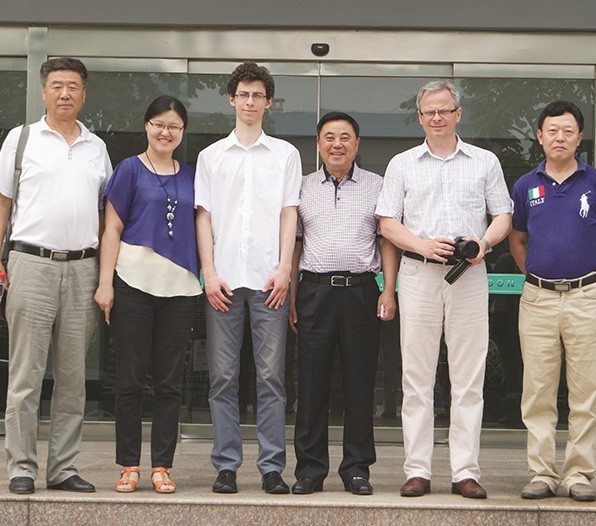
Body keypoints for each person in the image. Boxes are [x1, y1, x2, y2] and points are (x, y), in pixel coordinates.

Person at [376, 80, 513, 499]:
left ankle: (465, 471)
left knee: (468, 377)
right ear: (419, 117)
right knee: (416, 377)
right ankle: (417, 470)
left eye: (444, 110)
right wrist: (421, 245)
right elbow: (387, 222)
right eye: (429, 111)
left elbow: (503, 215)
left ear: (458, 114)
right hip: (418, 274)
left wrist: (483, 244)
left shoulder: (485, 161)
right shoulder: (402, 164)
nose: (437, 117)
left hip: (469, 275)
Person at [0, 57, 112, 495]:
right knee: (26, 375)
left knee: (73, 378)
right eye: (57, 85)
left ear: (84, 94)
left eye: (73, 86)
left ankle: (62, 468)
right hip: (31, 264)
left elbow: (106, 215)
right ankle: (21, 467)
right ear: (43, 92)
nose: (64, 93)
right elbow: (0, 203)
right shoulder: (21, 140)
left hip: (83, 268)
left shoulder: (96, 147)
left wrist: (105, 274)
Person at [195, 61, 302, 495]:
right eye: (244, 94)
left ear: (268, 102)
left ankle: (272, 467)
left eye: (258, 95)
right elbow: (204, 217)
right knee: (222, 377)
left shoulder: (285, 154)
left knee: (271, 378)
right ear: (232, 99)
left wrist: (284, 268)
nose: (251, 102)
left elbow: (289, 213)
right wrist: (208, 272)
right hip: (222, 280)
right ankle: (226, 466)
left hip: (268, 281)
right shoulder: (211, 156)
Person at [509, 100, 596, 502]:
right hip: (538, 298)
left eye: (568, 131)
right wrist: (534, 274)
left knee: (585, 391)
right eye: (552, 131)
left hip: (587, 297)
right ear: (540, 136)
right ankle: (541, 472)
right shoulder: (526, 185)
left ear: (579, 137)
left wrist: (594, 276)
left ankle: (578, 473)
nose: (560, 137)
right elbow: (517, 239)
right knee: (537, 389)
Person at [94, 96, 201, 494]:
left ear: (182, 132)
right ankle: (129, 465)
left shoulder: (192, 176)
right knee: (130, 380)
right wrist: (105, 282)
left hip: (180, 288)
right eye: (158, 123)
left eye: (173, 126)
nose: (165, 132)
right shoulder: (129, 169)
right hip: (132, 282)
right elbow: (112, 229)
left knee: (170, 383)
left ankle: (161, 466)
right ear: (146, 126)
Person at [288, 111, 398, 496]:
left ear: (357, 143)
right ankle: (310, 470)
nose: (337, 144)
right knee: (311, 383)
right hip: (314, 291)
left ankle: (356, 468)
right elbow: (295, 245)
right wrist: (291, 296)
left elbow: (387, 240)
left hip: (361, 291)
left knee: (360, 382)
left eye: (345, 137)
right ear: (319, 144)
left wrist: (388, 289)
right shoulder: (301, 187)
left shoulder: (377, 185)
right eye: (330, 137)